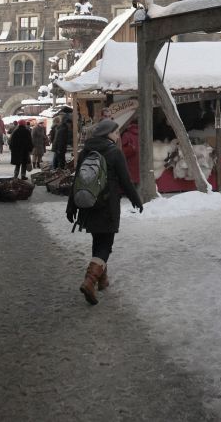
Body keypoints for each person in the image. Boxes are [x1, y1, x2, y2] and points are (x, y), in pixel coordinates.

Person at [66, 119, 142, 305]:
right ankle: (90, 280)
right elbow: (125, 181)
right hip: (108, 205)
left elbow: (77, 181)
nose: (118, 136)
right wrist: (136, 199)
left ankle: (102, 280)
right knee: (105, 244)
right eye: (115, 133)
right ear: (107, 133)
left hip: (89, 204)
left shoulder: (86, 151)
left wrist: (71, 206)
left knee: (98, 240)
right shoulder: (115, 152)